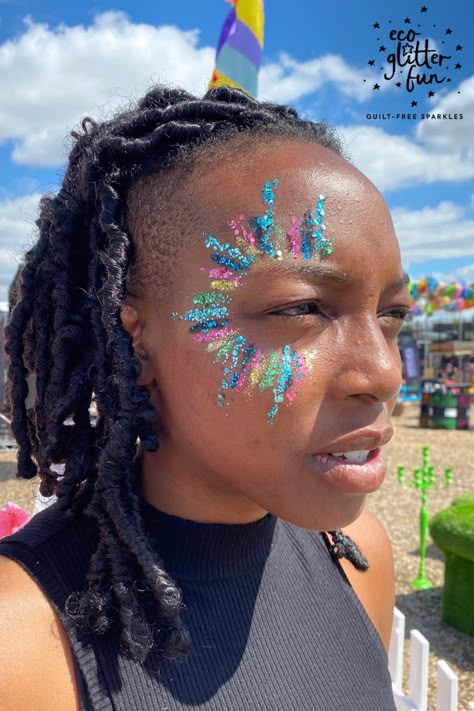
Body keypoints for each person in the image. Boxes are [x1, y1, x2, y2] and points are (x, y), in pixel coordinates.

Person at [0, 85, 411, 710]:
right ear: (135, 341)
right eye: (301, 307)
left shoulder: (360, 561)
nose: (383, 372)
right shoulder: (25, 639)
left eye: (392, 314)